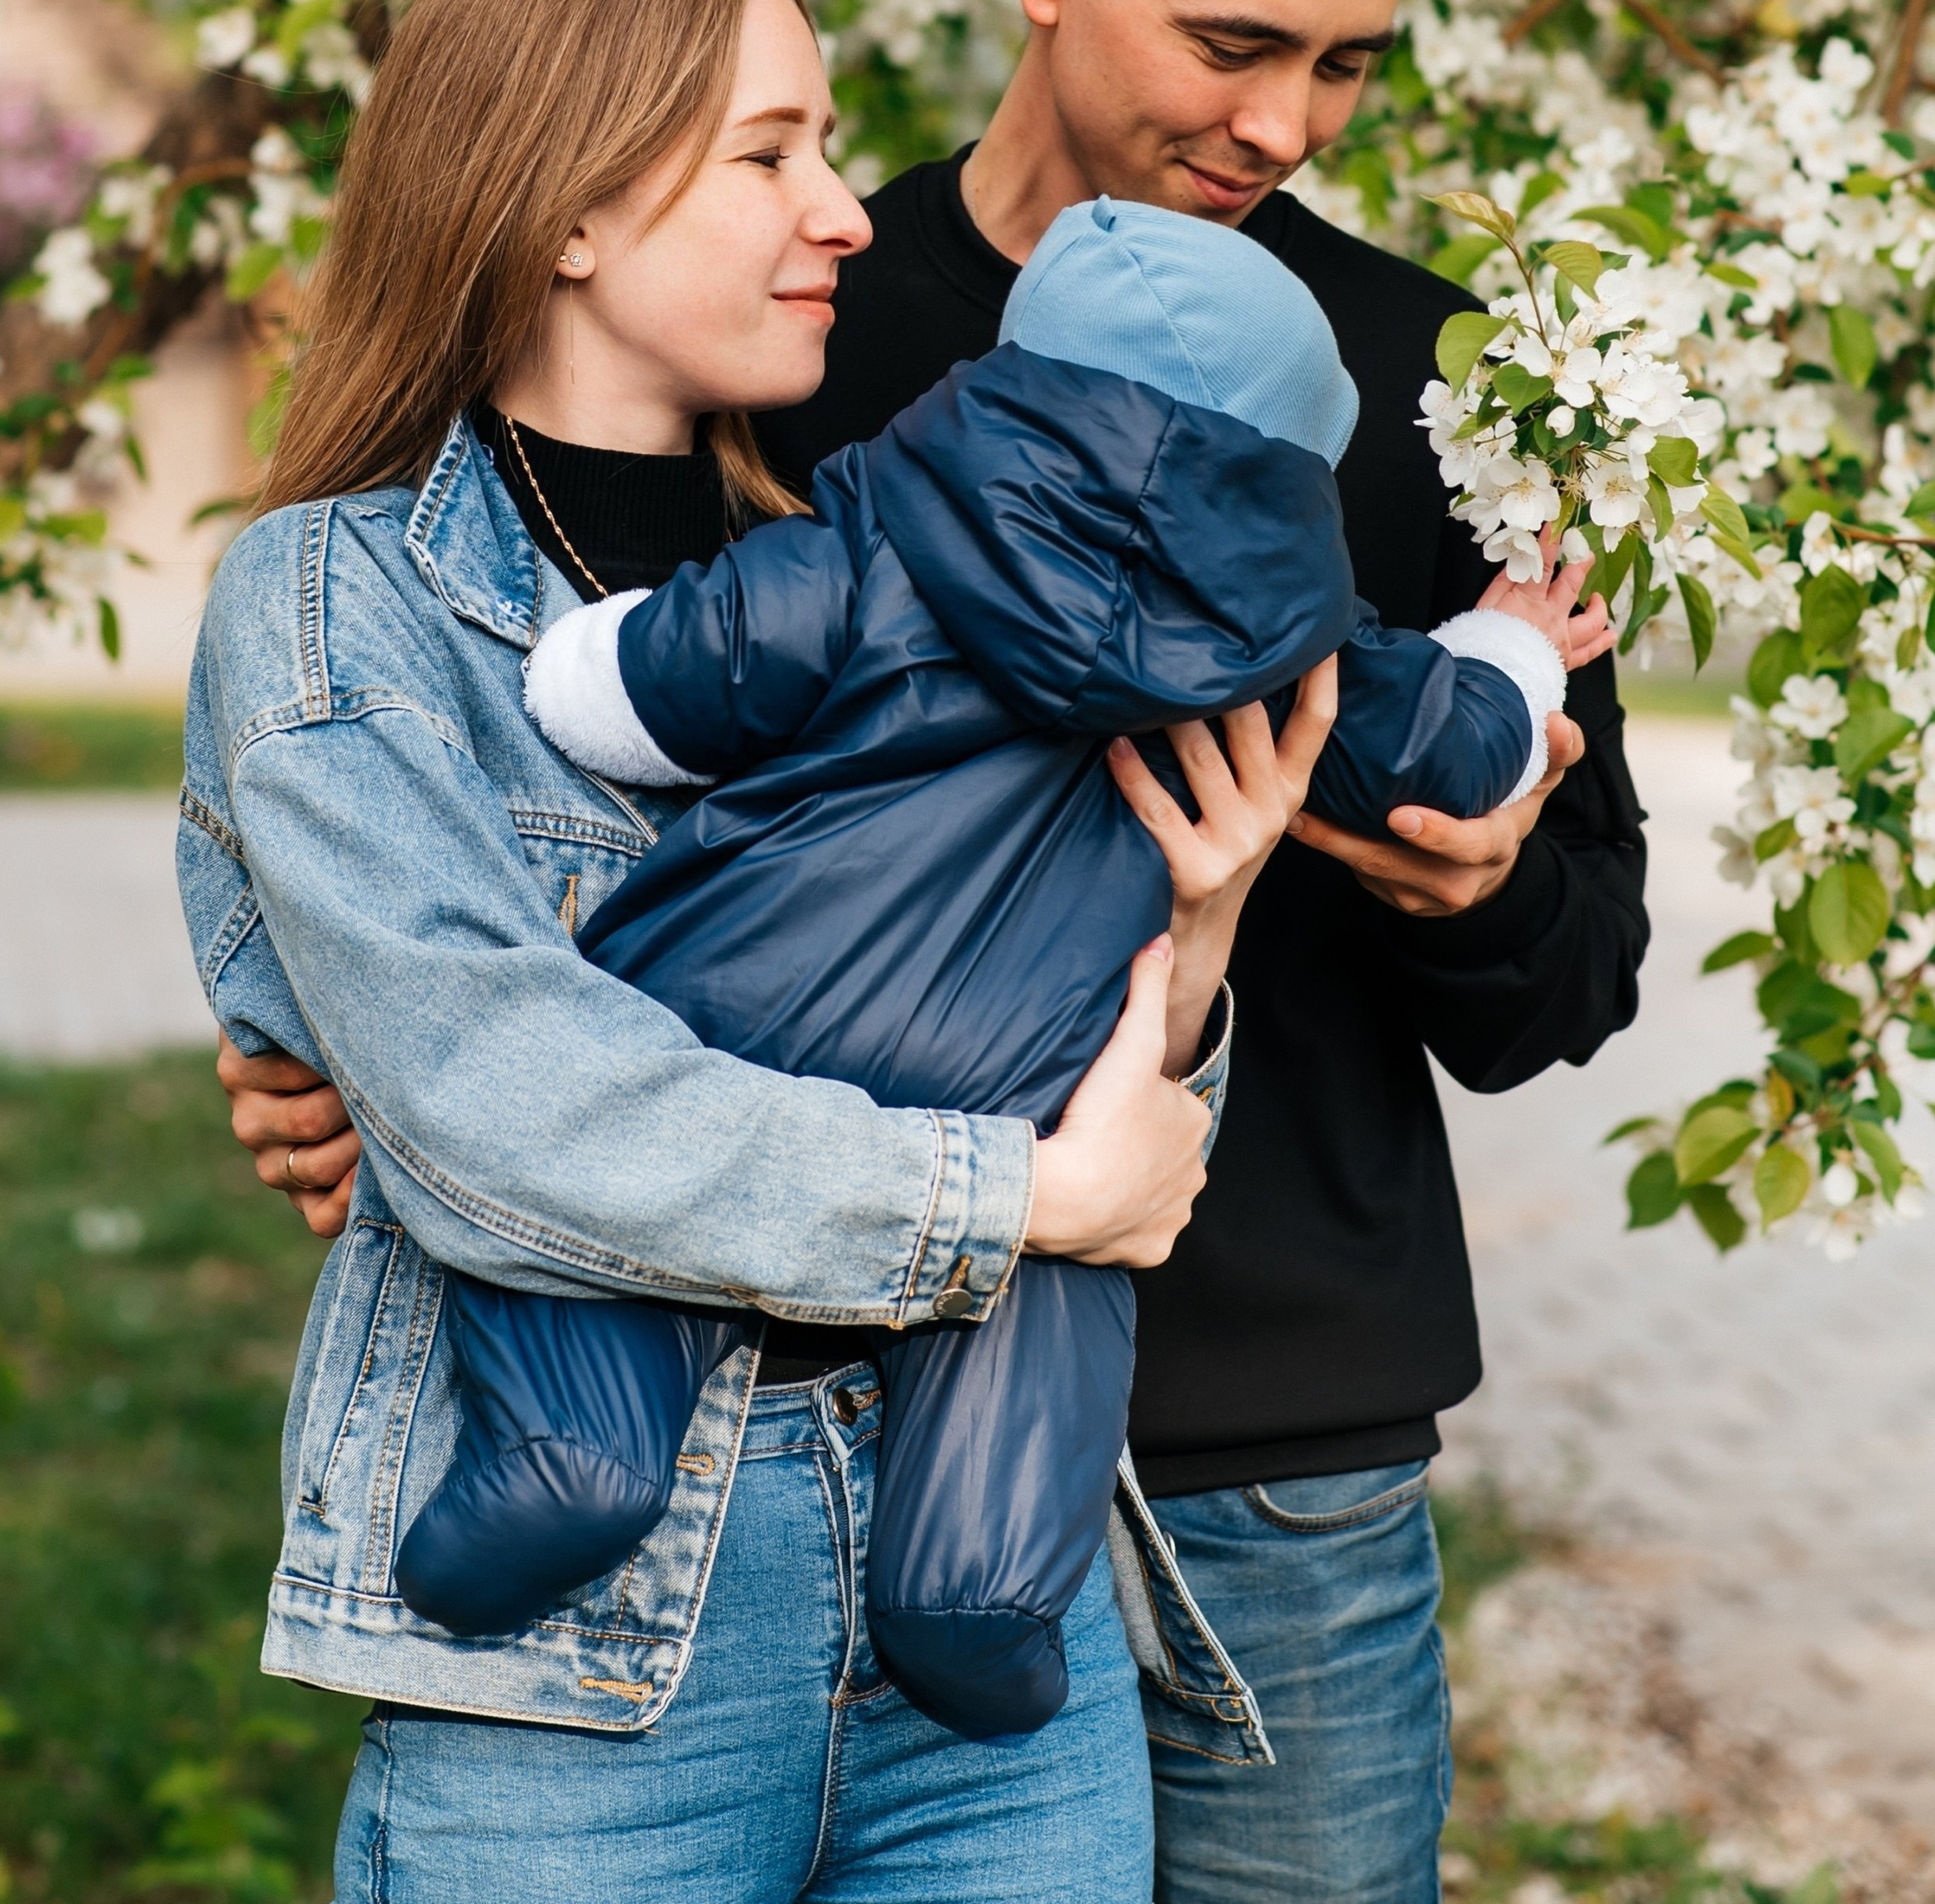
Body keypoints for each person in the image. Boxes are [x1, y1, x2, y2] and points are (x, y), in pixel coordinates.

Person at [225, 0, 1649, 1904]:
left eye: (1348, 65)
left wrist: (1458, 877)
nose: (1284, 123)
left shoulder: (1409, 389)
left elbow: (1567, 977)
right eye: (1232, 43)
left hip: (1266, 1432)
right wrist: (342, 1050)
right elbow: (540, 828)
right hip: (858, 1424)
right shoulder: (814, 338)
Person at [184, 0, 1319, 1904]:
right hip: (587, 1662)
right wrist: (1013, 1196)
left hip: (984, 1588)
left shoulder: (897, 559)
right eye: (771, 151)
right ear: (571, 208)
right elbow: (509, 1106)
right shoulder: (337, 612)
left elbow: (1101, 1099)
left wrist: (1204, 904)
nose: (846, 214)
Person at [410, 194, 1610, 1746]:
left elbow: (653, 689)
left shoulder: (873, 535)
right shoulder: (1301, 646)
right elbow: (1455, 747)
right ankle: (971, 1599)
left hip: (735, 1005)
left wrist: (588, 655)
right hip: (1029, 1103)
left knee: (620, 1246)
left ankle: (571, 1458)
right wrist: (1515, 650)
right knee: (1049, 1303)